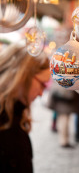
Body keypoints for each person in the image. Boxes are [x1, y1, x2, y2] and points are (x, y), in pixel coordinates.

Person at [0, 44, 51, 173]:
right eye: (42, 85)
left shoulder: (15, 114)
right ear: (24, 74)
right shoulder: (6, 119)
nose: (41, 93)